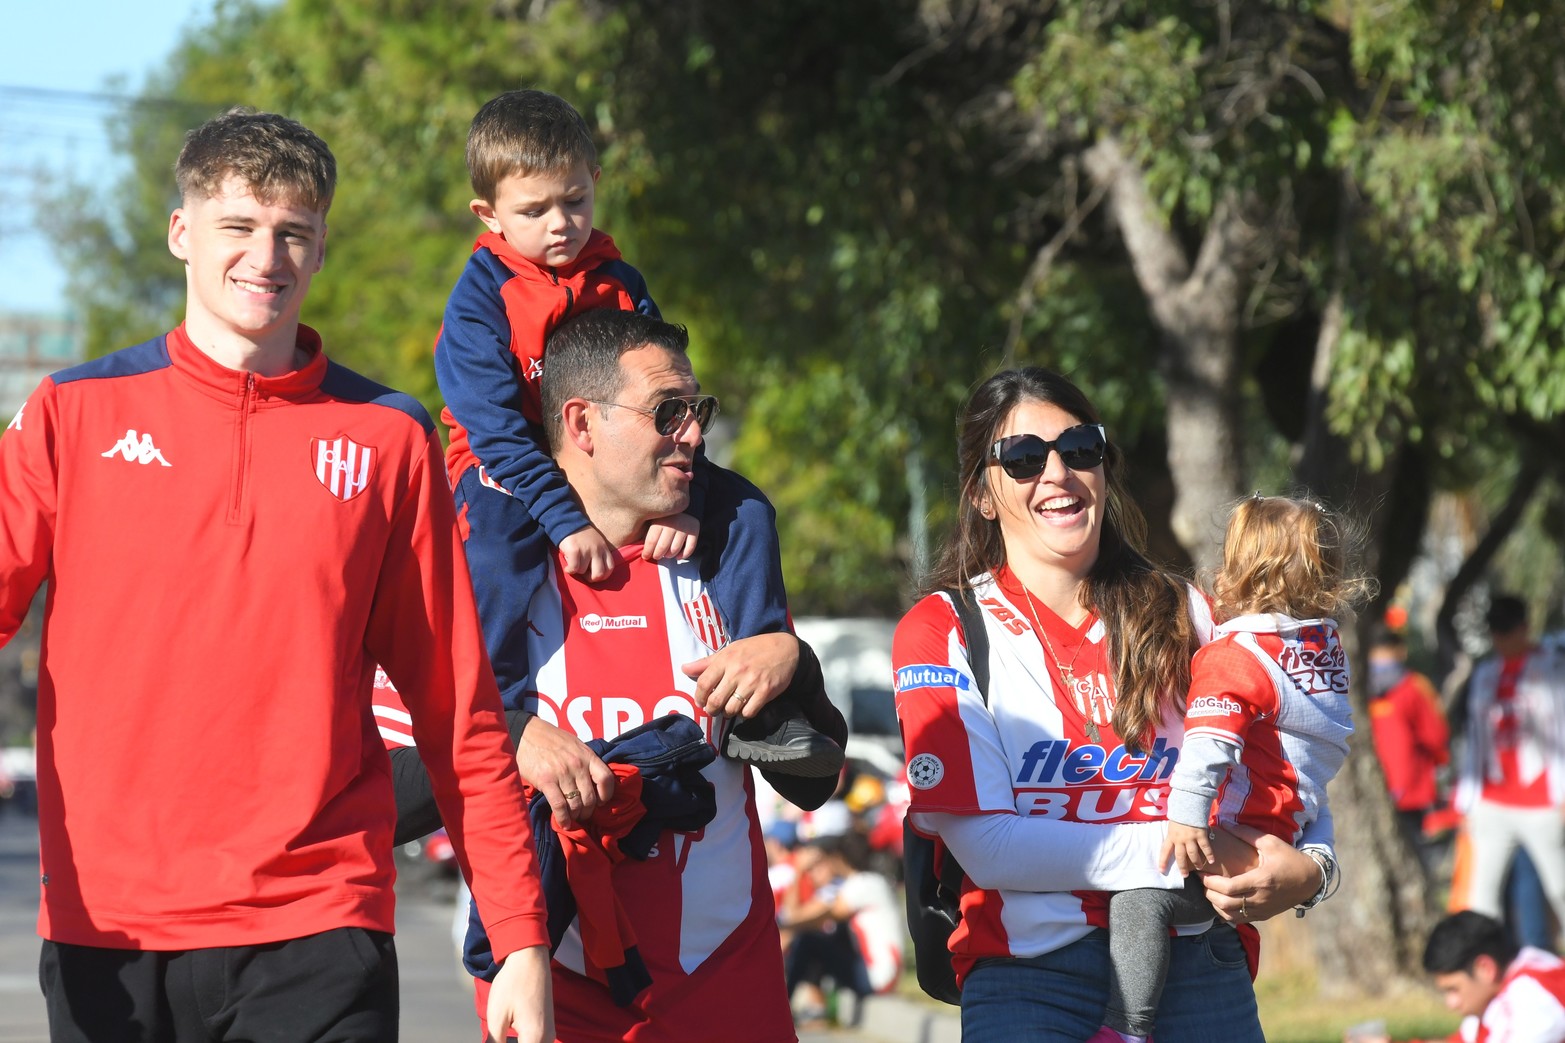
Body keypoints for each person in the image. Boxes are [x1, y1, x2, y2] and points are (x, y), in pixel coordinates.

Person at [0, 109, 552, 1042]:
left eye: (294, 231)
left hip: (319, 922)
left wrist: (520, 936)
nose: (267, 256)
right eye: (239, 226)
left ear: (321, 247)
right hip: (111, 928)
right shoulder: (73, 413)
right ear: (182, 232)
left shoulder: (387, 436)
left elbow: (457, 706)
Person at [382, 307, 848, 1041]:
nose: (692, 435)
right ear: (582, 424)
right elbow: (380, 797)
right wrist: (507, 736)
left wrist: (797, 664)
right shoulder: (487, 574)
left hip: (725, 981)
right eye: (666, 412)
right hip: (554, 986)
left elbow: (814, 783)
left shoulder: (720, 565)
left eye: (697, 411)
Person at [892, 366, 1331, 1042]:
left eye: (1079, 449)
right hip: (1027, 976)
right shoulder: (940, 629)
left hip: (1198, 965)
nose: (1057, 473)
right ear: (982, 493)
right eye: (1022, 458)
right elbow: (990, 849)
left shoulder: (1192, 612)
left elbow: (1294, 751)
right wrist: (1197, 848)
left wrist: (1314, 867)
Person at [434, 89, 838, 792]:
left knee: (745, 509)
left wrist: (689, 503)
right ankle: (496, 712)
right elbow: (494, 427)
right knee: (496, 549)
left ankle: (762, 700)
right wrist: (565, 520)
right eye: (533, 211)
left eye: (575, 200)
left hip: (618, 463)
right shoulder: (479, 300)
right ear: (488, 215)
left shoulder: (619, 279)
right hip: (505, 464)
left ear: (595, 183)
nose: (560, 224)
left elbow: (667, 400)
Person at [1111, 494, 1364, 1041]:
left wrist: (1186, 818)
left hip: (1234, 829)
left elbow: (1209, 746)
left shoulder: (1236, 655)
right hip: (1286, 826)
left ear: (1238, 570)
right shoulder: (1321, 650)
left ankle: (1126, 1027)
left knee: (1139, 902)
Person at [1452, 595, 1565, 948]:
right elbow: (1475, 739)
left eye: (1507, 632)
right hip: (1493, 803)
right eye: (1495, 633)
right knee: (1481, 901)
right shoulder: (1485, 673)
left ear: (1524, 628)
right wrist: (1467, 800)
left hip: (1543, 804)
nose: (1501, 641)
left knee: (1560, 890)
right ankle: (1486, 971)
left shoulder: (1553, 667)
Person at [1352, 910, 1565, 1043]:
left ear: (1485, 969)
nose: (1451, 1003)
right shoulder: (1514, 979)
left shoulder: (1534, 1002)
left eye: (1453, 989)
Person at [778, 832, 904, 1028]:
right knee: (820, 937)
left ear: (836, 858)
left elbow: (798, 918)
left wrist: (798, 871)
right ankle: (811, 1007)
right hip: (877, 975)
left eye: (820, 862)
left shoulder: (862, 885)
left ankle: (782, 1009)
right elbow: (797, 918)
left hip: (877, 979)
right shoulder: (867, 882)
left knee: (809, 941)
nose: (814, 871)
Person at [1368, 626, 1451, 852]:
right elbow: (1436, 736)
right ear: (1400, 650)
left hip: (1377, 787)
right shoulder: (1412, 686)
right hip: (1415, 787)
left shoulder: (1357, 689)